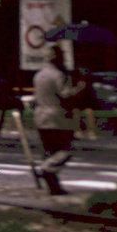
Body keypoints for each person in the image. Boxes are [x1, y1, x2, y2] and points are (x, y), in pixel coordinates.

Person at [32, 47, 88, 195]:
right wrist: (79, 88)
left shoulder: (39, 76)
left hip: (40, 117)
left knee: (49, 151)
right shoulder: (57, 75)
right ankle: (46, 169)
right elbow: (65, 95)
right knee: (66, 149)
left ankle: (53, 187)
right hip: (57, 117)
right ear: (57, 58)